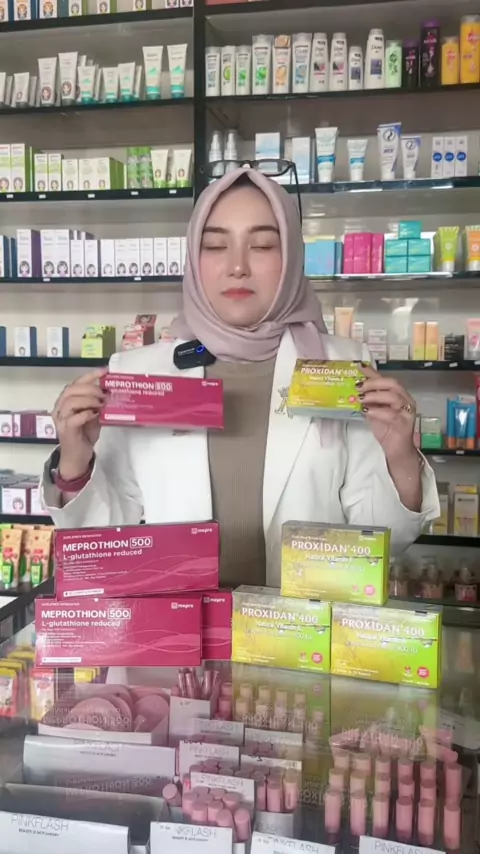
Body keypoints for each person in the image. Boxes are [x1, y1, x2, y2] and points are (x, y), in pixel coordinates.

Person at [42, 167, 439, 587]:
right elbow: (105, 540)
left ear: (292, 258)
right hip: (180, 623)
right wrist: (75, 463)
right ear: (193, 259)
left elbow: (383, 541)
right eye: (215, 245)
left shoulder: (344, 367)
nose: (237, 267)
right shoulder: (139, 374)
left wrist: (399, 456)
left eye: (262, 245)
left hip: (300, 625)